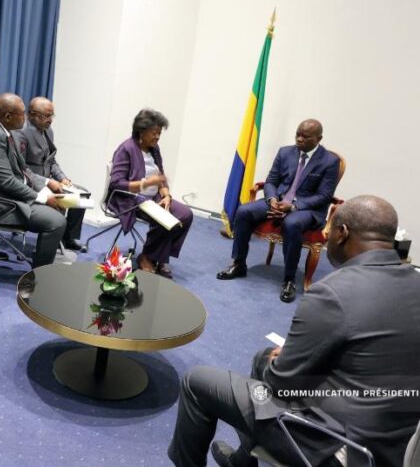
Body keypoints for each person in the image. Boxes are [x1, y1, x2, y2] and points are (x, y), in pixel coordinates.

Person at [168, 195, 420, 467]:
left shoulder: (333, 292)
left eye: (330, 229)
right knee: (263, 358)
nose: (326, 236)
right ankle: (243, 461)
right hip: (393, 443)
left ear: (343, 233)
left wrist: (282, 362)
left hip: (334, 447)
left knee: (197, 382)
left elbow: (280, 382)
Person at [217, 119, 340, 303]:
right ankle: (239, 263)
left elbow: (324, 195)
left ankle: (289, 279)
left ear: (318, 138)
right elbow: (271, 181)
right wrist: (272, 199)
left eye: (305, 137)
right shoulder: (285, 152)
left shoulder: (329, 161)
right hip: (278, 200)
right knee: (244, 211)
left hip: (306, 208)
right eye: (297, 134)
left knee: (292, 223)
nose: (299, 139)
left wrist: (293, 205)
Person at [0, 93, 67, 268]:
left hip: (7, 196)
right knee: (56, 222)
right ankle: (39, 274)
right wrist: (43, 198)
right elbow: (7, 182)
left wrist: (45, 188)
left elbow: (24, 169)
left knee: (58, 208)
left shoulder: (4, 132)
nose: (26, 117)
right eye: (23, 113)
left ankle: (41, 262)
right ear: (8, 116)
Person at [107, 109, 193, 279]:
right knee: (164, 219)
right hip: (131, 199)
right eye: (154, 133)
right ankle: (147, 257)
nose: (157, 137)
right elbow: (116, 183)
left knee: (185, 215)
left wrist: (166, 195)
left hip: (154, 197)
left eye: (159, 133)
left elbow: (160, 175)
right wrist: (146, 183)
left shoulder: (154, 149)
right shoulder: (126, 149)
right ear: (141, 131)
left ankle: (158, 256)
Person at [14, 96, 89, 252]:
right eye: (46, 116)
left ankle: (68, 238)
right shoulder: (21, 133)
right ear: (32, 114)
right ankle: (47, 247)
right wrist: (47, 182)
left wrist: (63, 178)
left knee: (82, 194)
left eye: (51, 115)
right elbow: (21, 169)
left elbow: (51, 161)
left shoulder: (48, 131)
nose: (50, 120)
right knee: (59, 200)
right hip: (31, 183)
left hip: (48, 181)